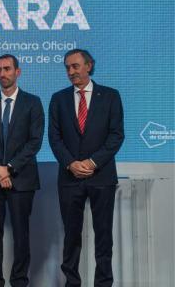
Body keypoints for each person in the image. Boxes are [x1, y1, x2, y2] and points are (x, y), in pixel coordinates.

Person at [49, 49, 124, 287]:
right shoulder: (58, 98)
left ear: (89, 66)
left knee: (103, 236)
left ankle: (103, 283)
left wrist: (92, 163)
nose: (71, 72)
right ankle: (72, 283)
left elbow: (116, 135)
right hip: (69, 178)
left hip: (101, 176)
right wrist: (71, 163)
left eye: (75, 66)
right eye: (67, 68)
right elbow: (54, 137)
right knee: (71, 236)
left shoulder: (111, 96)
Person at [0, 54, 44, 287]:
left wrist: (10, 168)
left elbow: (34, 142)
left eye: (7, 69)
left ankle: (19, 281)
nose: (2, 73)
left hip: (21, 180)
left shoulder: (33, 103)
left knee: (21, 234)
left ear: (18, 72)